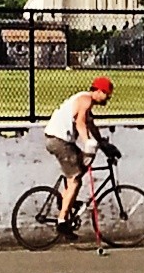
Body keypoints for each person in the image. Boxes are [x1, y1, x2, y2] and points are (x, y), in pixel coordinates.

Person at [44, 76, 120, 238]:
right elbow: (80, 123)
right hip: (59, 141)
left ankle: (67, 199)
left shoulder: (85, 101)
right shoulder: (85, 100)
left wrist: (103, 144)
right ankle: (62, 221)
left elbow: (90, 125)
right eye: (107, 94)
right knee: (76, 179)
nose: (108, 99)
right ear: (98, 91)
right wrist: (87, 143)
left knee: (80, 166)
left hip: (59, 140)